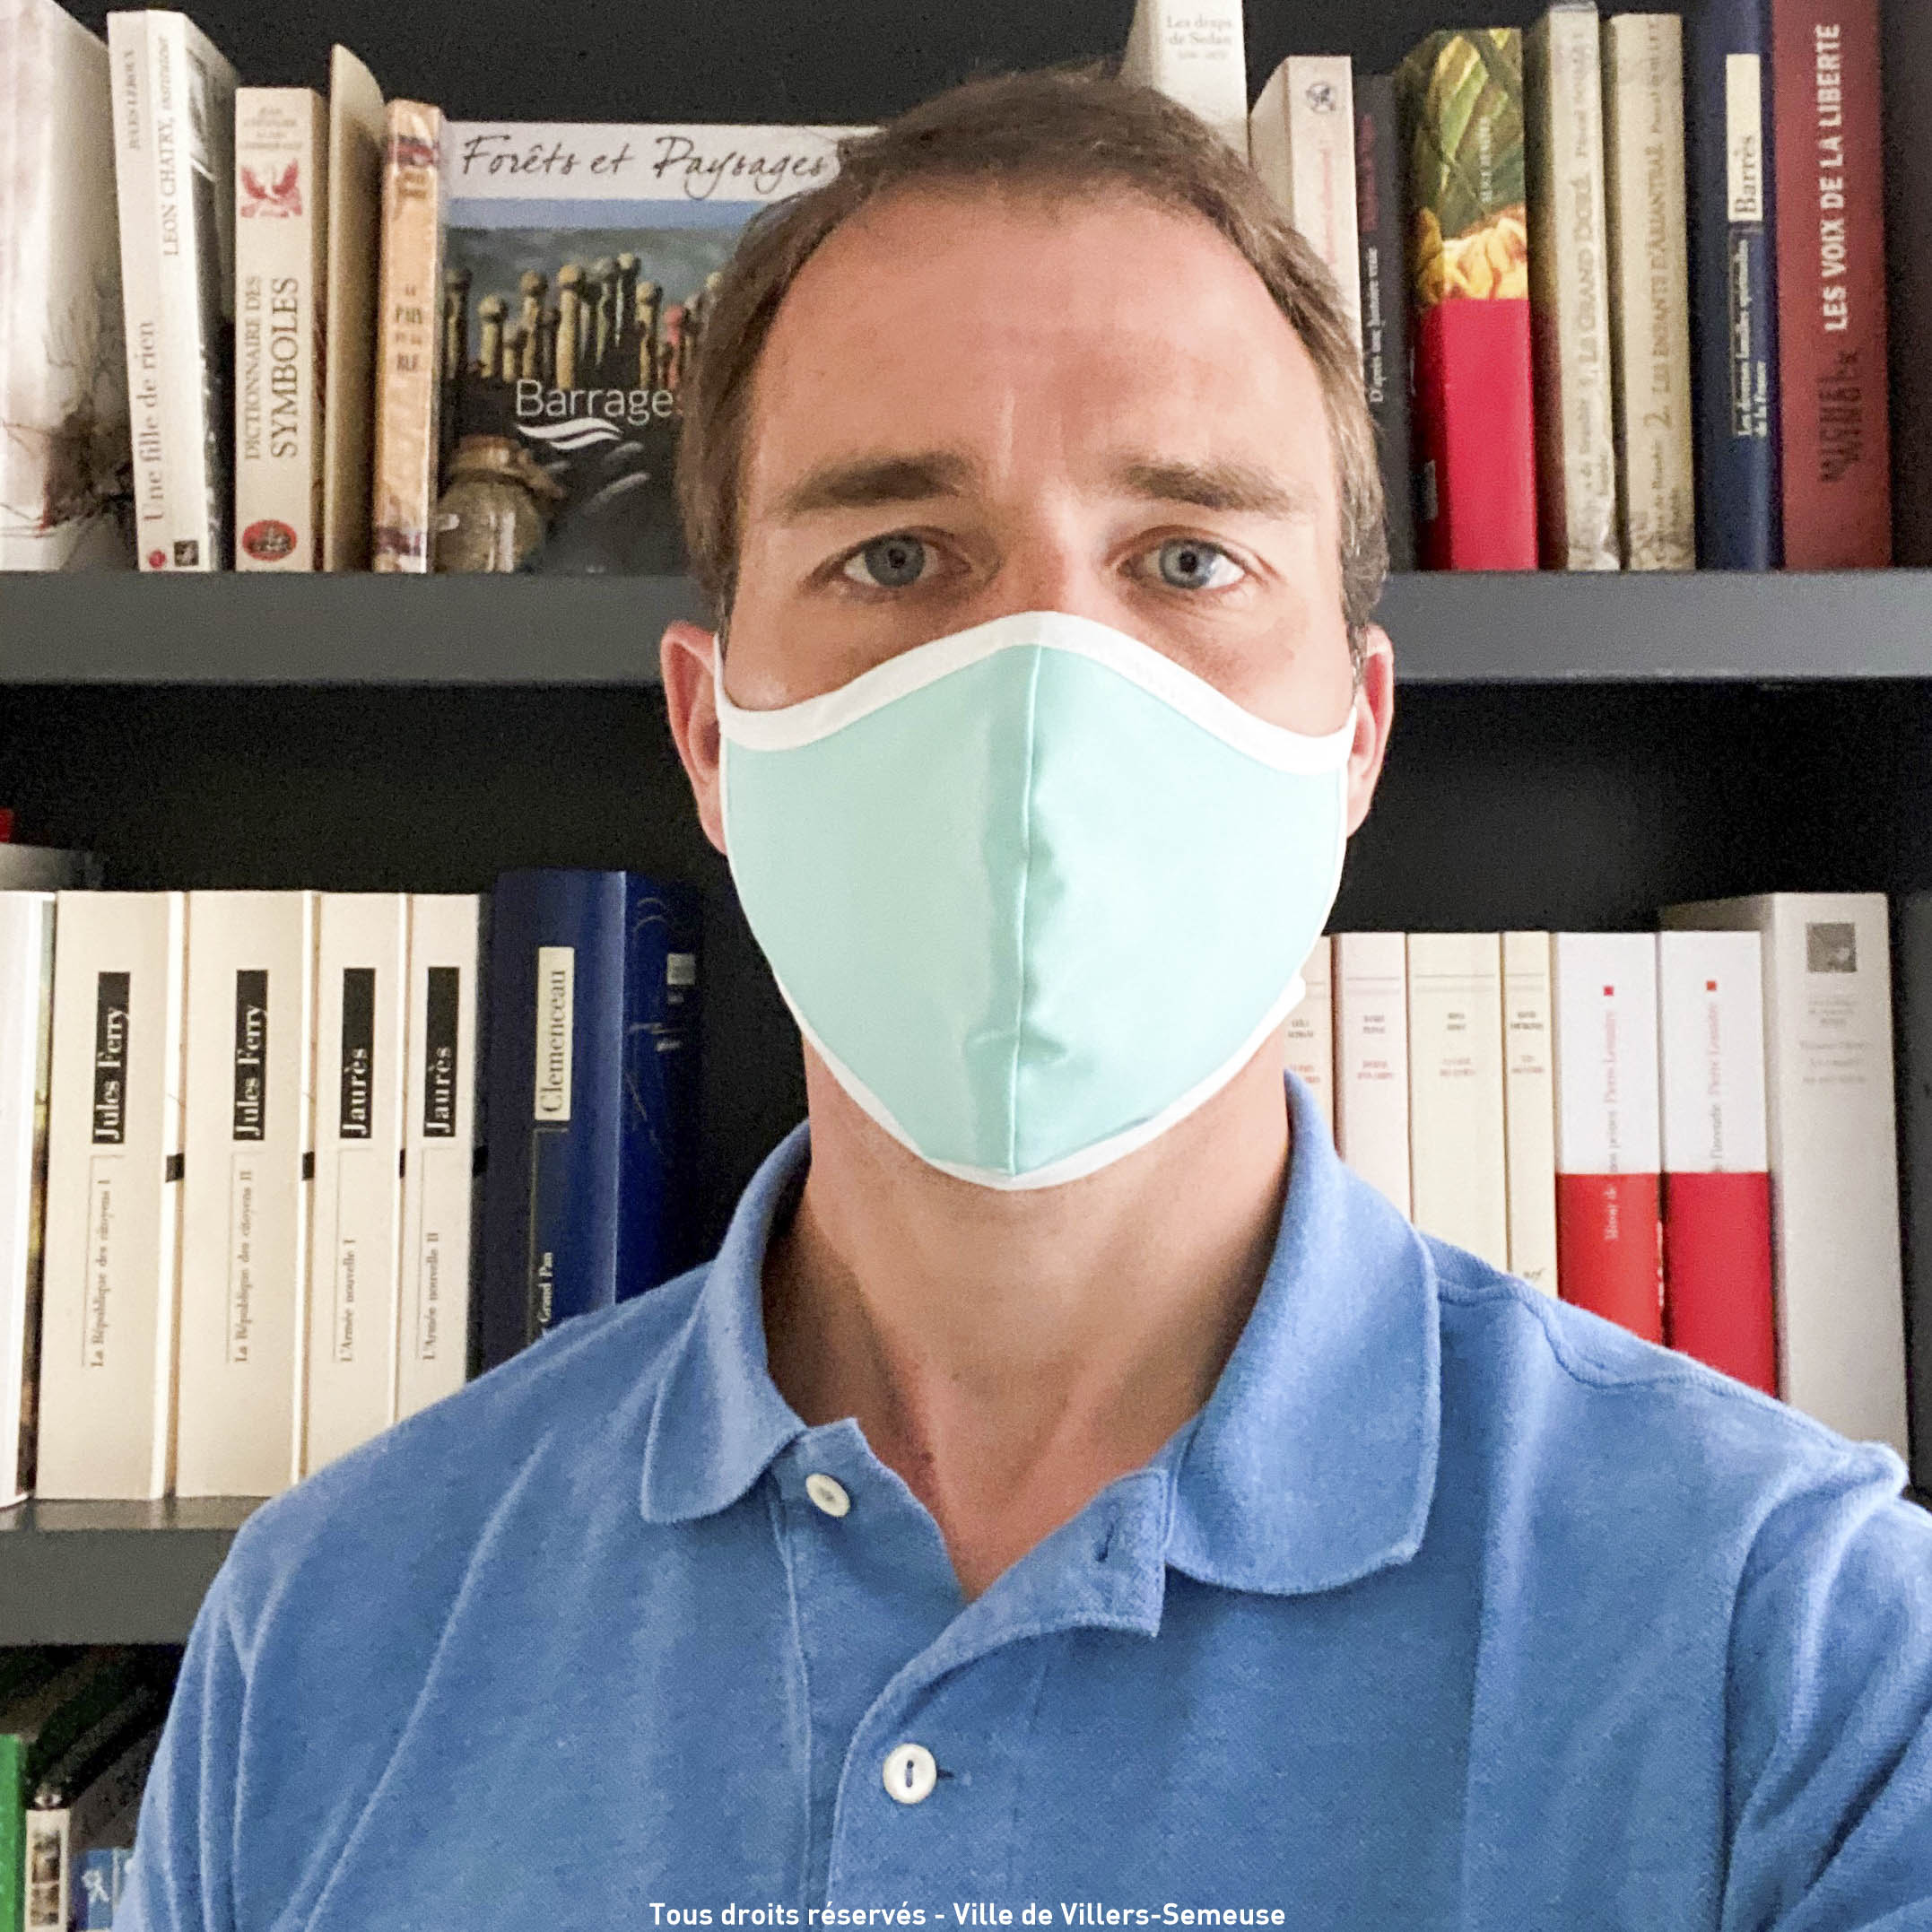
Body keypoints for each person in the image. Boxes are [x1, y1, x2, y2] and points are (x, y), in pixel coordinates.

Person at [122, 71, 1931, 1932]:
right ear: (710, 735)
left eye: (1188, 560)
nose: (1044, 692)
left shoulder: (1803, 1666)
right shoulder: (328, 1636)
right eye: (896, 557)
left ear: (1357, 736)